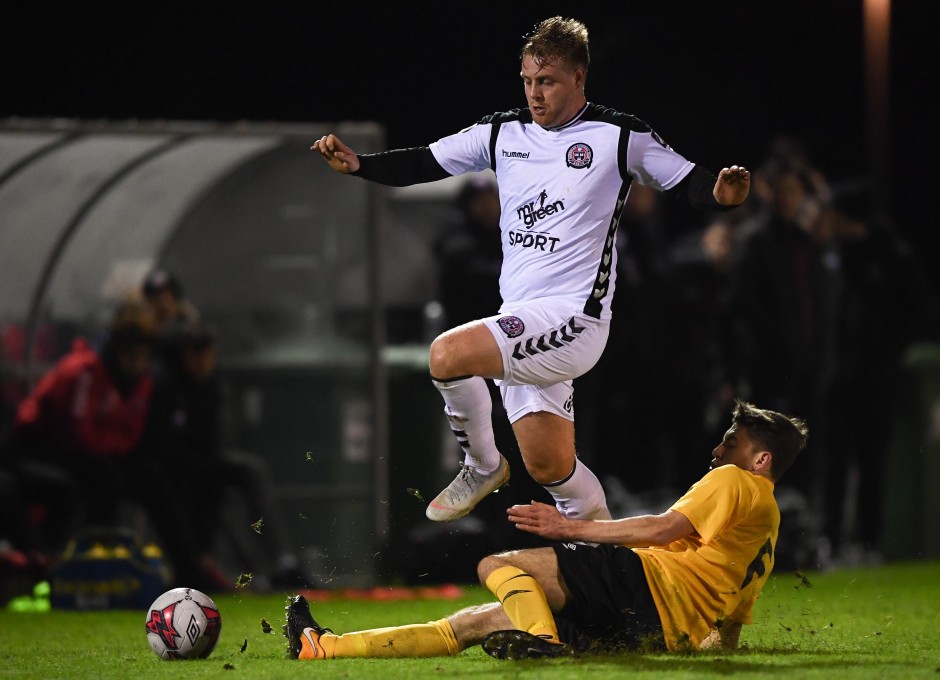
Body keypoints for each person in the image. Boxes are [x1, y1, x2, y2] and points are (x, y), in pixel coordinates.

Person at [310, 16, 751, 524]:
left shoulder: (619, 137)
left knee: (447, 355)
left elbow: (692, 181)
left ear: (579, 77)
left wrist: (722, 194)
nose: (534, 93)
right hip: (521, 318)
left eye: (547, 81)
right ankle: (615, 579)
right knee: (551, 467)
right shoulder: (503, 132)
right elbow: (425, 162)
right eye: (527, 80)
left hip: (573, 321)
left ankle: (481, 465)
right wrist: (360, 164)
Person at [284, 399, 808, 659]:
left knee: (499, 564)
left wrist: (561, 526)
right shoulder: (768, 525)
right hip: (656, 629)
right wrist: (697, 648)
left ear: (759, 459)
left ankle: (542, 639)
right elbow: (732, 624)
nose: (718, 452)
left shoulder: (738, 482)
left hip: (645, 585)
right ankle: (323, 647)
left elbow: (659, 529)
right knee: (478, 621)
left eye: (730, 443)